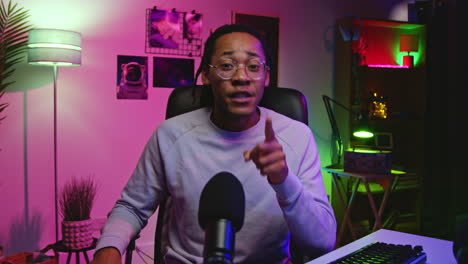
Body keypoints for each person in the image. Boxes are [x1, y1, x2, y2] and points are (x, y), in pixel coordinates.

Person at [92, 24, 336, 264]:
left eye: (253, 66)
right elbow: (132, 207)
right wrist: (109, 247)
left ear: (266, 76)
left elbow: (322, 241)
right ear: (207, 75)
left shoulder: (296, 137)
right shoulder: (170, 135)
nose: (241, 77)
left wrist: (284, 180)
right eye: (227, 66)